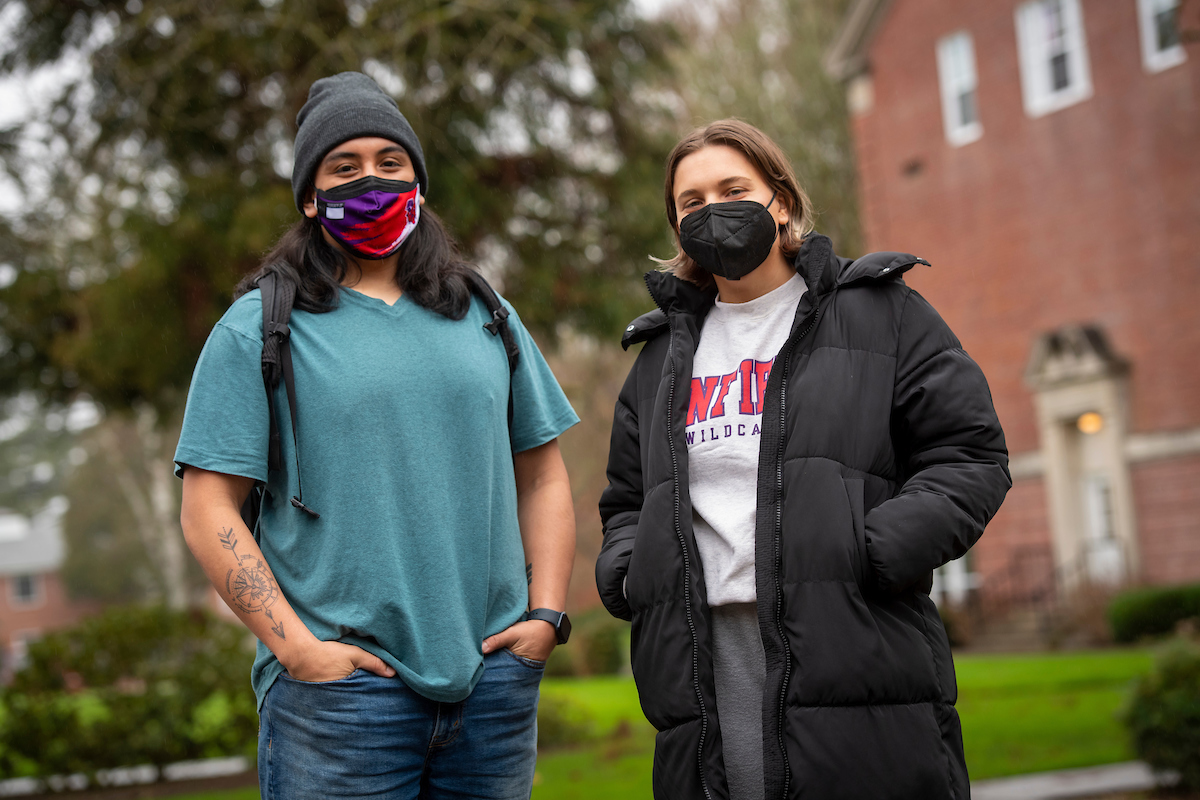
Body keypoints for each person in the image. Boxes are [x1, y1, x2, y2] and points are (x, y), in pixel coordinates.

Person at [175, 72, 579, 799]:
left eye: (390, 164)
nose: (371, 180)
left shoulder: (485, 314)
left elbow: (544, 474)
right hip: (338, 701)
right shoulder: (258, 329)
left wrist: (545, 616)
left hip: (491, 690)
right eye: (345, 167)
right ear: (309, 195)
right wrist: (296, 650)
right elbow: (207, 507)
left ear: (418, 183)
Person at [596, 119, 1010, 800]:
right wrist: (630, 574)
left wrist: (870, 552)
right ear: (676, 225)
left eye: (734, 188)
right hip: (702, 654)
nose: (713, 211)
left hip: (851, 634)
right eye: (692, 202)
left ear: (780, 201)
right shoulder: (659, 359)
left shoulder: (883, 314)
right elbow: (625, 503)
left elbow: (968, 455)